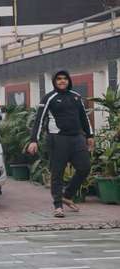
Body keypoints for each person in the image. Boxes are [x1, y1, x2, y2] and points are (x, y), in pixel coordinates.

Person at [27, 70, 93, 218]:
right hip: (58, 139)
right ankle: (58, 206)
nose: (62, 81)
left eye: (65, 79)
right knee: (58, 173)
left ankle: (67, 194)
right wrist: (33, 140)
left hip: (77, 138)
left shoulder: (76, 96)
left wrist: (90, 135)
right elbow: (39, 120)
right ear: (54, 82)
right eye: (59, 79)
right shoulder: (49, 98)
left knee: (84, 168)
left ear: (69, 80)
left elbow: (84, 117)